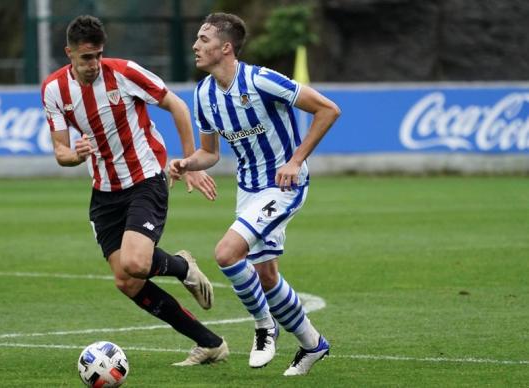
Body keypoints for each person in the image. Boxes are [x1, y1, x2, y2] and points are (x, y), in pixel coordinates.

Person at [40, 15, 228, 366]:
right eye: (85, 58)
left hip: (145, 178)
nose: (93, 64)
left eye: (97, 55)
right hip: (104, 192)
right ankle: (210, 343)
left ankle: (182, 267)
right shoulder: (53, 90)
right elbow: (61, 153)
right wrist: (74, 155)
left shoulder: (125, 72)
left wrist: (188, 162)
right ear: (69, 54)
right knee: (126, 281)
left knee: (137, 262)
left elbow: (178, 106)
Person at [169, 13, 341, 376]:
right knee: (265, 276)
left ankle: (264, 326)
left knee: (226, 253)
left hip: (282, 185)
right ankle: (313, 345)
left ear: (225, 47)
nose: (195, 46)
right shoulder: (203, 94)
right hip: (247, 190)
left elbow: (328, 110)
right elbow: (211, 153)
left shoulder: (261, 80)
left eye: (203, 39)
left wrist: (295, 161)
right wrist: (186, 164)